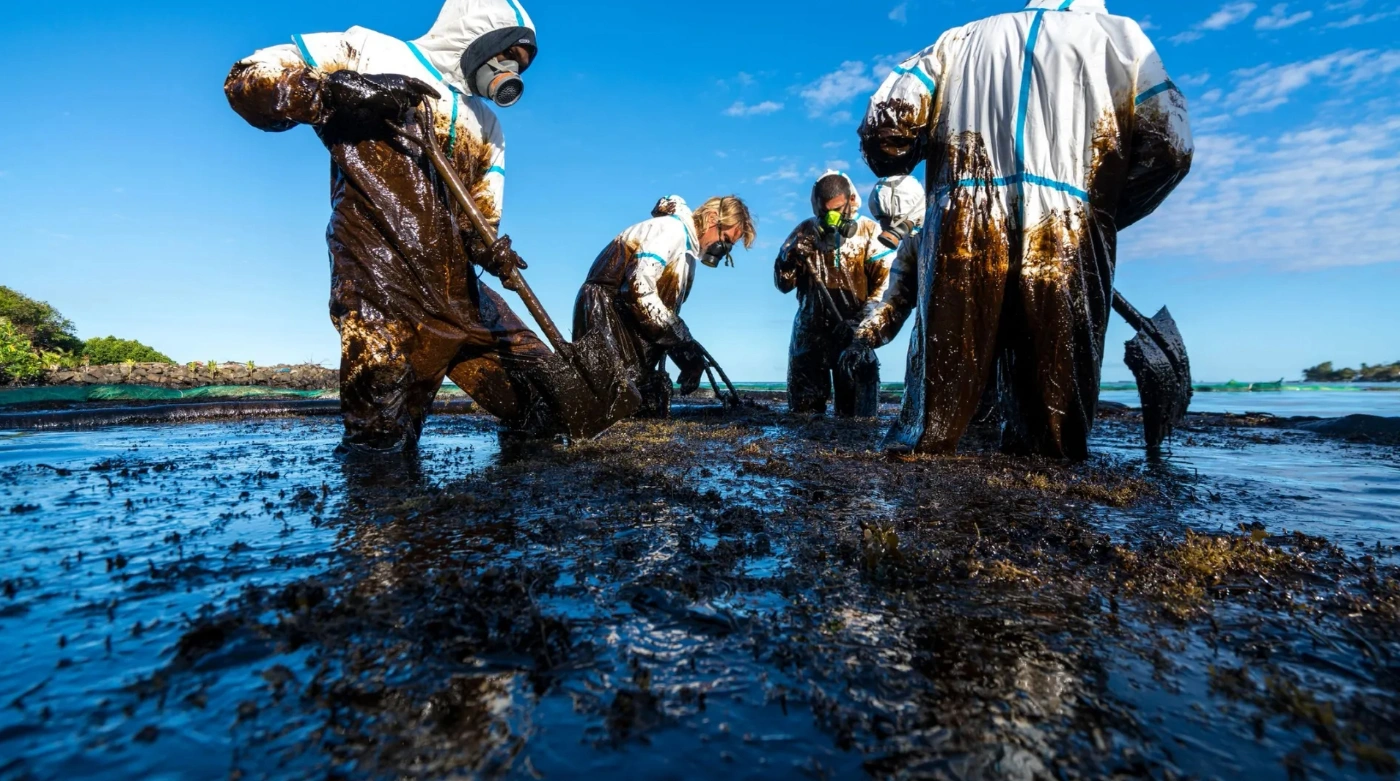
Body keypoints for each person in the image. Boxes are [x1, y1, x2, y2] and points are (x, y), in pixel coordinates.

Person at [225, 0, 587, 453]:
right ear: (479, 34)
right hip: (383, 281)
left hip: (461, 293)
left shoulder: (488, 123)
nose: (514, 69)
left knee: (548, 400)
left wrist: (488, 249)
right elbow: (246, 79)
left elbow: (482, 216)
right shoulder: (368, 50)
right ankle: (388, 519)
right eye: (509, 54)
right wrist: (341, 92)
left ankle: (494, 517)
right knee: (382, 439)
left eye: (522, 64)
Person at [855, 0, 1192, 460]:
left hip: (962, 218)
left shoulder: (958, 42)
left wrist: (899, 164)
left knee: (935, 412)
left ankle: (922, 492)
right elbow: (1172, 147)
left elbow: (886, 126)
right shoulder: (1123, 41)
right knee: (1052, 418)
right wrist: (1102, 214)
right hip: (1068, 227)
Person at [572, 195, 755, 417]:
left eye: (729, 246)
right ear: (711, 218)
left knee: (640, 405)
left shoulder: (688, 257)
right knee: (610, 403)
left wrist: (686, 356)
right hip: (603, 311)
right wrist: (684, 344)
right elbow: (638, 287)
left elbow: (664, 313)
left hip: (625, 316)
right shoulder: (671, 231)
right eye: (725, 239)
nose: (723, 249)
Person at [774, 172, 891, 418]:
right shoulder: (804, 231)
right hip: (809, 335)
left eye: (837, 209)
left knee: (858, 419)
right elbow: (783, 285)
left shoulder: (870, 233)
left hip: (852, 335)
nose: (831, 218)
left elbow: (884, 288)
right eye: (825, 211)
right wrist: (788, 259)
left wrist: (861, 326)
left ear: (851, 200)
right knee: (802, 415)